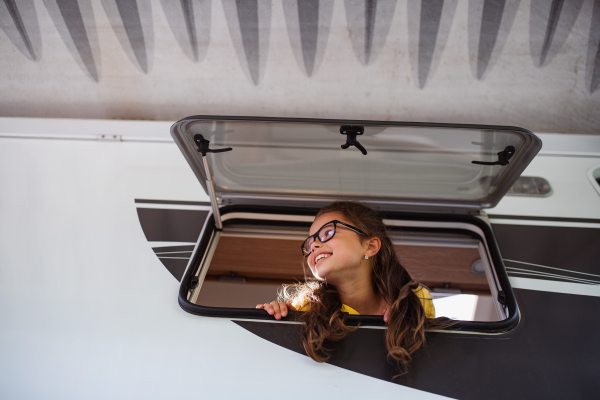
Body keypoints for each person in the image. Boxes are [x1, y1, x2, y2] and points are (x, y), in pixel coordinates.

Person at [256, 201, 451, 373]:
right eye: (309, 243)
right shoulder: (306, 308)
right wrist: (276, 318)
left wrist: (407, 324)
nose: (313, 245)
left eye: (328, 233)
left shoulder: (413, 299)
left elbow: (426, 364)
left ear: (370, 247)